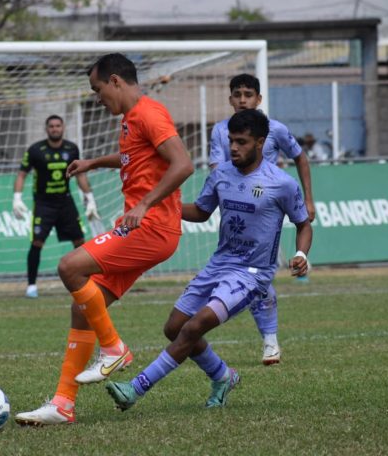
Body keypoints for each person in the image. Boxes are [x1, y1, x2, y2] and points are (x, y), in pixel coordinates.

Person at [14, 52, 194, 426]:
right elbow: (134, 159)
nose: (97, 98)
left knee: (69, 266)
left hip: (152, 227)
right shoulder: (131, 120)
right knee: (82, 306)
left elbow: (183, 164)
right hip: (144, 228)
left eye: (97, 89)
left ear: (115, 81)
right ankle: (63, 404)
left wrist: (144, 204)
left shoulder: (149, 112)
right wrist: (93, 163)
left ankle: (115, 348)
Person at [106, 109, 313, 411]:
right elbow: (202, 211)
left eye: (241, 142)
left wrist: (300, 253)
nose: (233, 148)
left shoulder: (281, 183)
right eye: (231, 141)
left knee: (194, 327)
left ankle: (135, 388)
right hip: (220, 264)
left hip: (252, 274)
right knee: (174, 327)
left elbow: (304, 223)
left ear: (260, 142)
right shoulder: (221, 174)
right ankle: (222, 376)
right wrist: (157, 209)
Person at [209, 73, 315, 366]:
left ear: (258, 99)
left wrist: (308, 199)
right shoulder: (220, 132)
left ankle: (270, 340)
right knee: (246, 271)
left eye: (248, 94)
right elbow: (218, 169)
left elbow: (300, 157)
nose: (242, 99)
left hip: (267, 208)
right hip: (236, 208)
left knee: (255, 270)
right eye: (237, 94)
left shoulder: (276, 129)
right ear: (230, 99)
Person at [12, 114, 100, 298]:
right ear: (46, 129)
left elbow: (81, 175)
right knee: (36, 242)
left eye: (58, 126)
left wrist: (89, 198)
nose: (54, 129)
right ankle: (31, 286)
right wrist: (17, 198)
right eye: (51, 126)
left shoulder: (72, 149)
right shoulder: (36, 150)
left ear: (63, 128)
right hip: (43, 203)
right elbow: (22, 174)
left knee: (79, 242)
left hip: (65, 201)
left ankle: (87, 282)